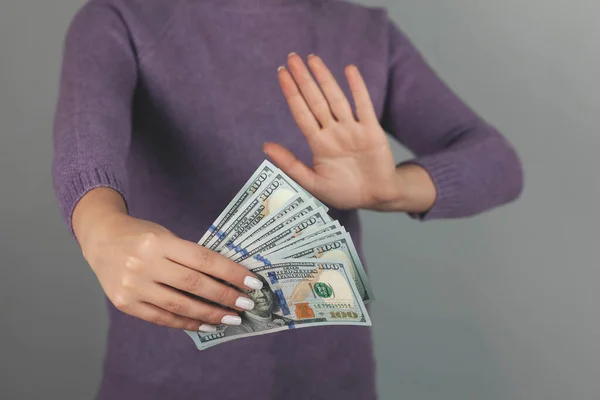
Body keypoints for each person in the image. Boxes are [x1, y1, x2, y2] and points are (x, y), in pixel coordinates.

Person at [51, 0, 523, 398]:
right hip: (163, 381)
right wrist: (101, 229)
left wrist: (395, 190)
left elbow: (498, 163)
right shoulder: (120, 18)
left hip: (335, 380)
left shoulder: (366, 32)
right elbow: (85, 143)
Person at [224, 274, 295, 335]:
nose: (261, 295)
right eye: (251, 291)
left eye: (264, 289)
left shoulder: (288, 322)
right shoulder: (235, 329)